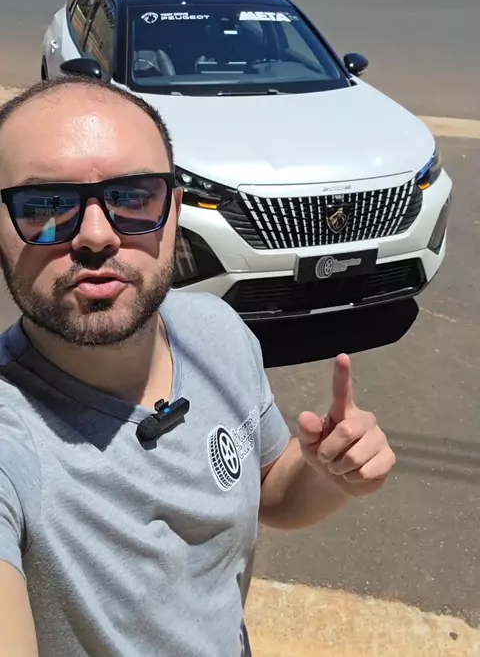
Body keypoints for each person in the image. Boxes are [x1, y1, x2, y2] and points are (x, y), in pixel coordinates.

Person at [0, 76, 395, 657]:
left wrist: (328, 472)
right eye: (45, 204)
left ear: (174, 213)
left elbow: (269, 489)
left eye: (133, 197)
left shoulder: (216, 330)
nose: (95, 235)